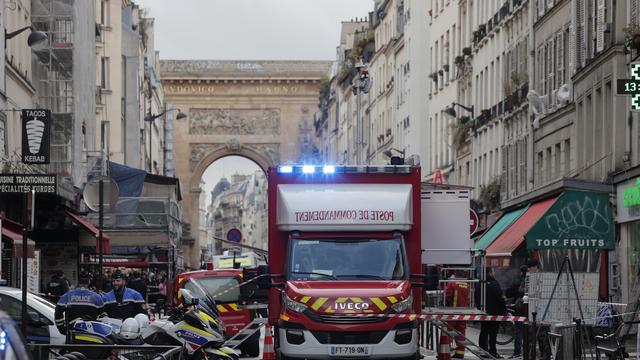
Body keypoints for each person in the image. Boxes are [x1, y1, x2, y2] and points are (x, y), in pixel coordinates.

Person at [54, 270, 105, 335]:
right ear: (89, 281)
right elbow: (102, 316)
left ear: (78, 281)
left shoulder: (67, 296)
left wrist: (62, 328)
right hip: (92, 335)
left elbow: (58, 312)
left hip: (72, 335)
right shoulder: (96, 297)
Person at [479, 267, 506, 358]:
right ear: (490, 273)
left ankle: (483, 351)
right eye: (493, 271)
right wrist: (504, 310)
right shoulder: (494, 284)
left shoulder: (480, 283)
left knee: (483, 331)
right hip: (494, 312)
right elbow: (500, 297)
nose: (494, 273)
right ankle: (493, 352)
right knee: (493, 333)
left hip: (483, 312)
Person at [444, 271, 470, 359]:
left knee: (447, 332)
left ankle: (445, 352)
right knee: (461, 333)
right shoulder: (466, 283)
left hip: (452, 312)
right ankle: (460, 352)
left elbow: (447, 296)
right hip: (463, 312)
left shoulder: (452, 282)